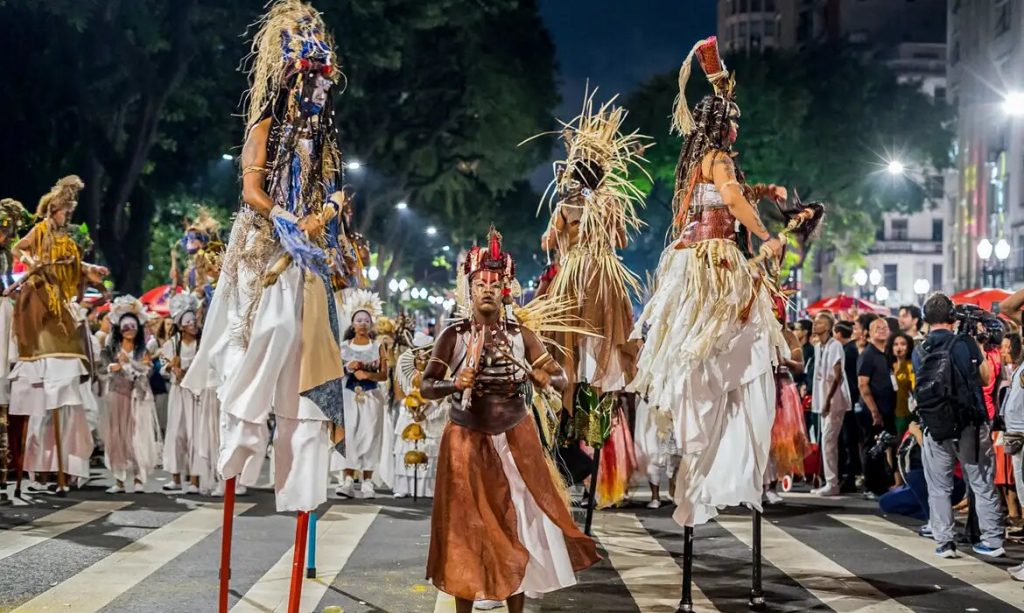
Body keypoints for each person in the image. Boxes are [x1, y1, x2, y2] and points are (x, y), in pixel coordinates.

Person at [182, 0, 347, 515]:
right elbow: (252, 188)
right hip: (262, 241)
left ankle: (300, 478)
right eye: (312, 82)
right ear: (294, 80)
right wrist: (283, 217)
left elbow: (335, 191)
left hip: (305, 250)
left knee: (305, 346)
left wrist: (324, 215)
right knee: (267, 330)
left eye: (324, 84)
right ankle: (241, 434)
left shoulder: (321, 137)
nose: (318, 92)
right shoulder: (267, 124)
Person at [629, 35, 795, 527]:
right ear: (723, 127)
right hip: (715, 264)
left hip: (697, 262)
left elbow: (730, 196)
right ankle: (709, 439)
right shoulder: (718, 160)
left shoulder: (699, 162)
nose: (739, 128)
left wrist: (763, 190)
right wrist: (765, 235)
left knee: (717, 351)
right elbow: (732, 200)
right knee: (733, 348)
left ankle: (705, 442)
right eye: (735, 121)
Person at [421, 227, 599, 612]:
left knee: (519, 522)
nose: (487, 288)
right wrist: (454, 383)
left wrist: (545, 377)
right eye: (479, 283)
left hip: (516, 438)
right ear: (469, 290)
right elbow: (426, 386)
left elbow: (560, 376)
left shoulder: (522, 334)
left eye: (494, 282)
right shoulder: (453, 335)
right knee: (465, 527)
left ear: (505, 289)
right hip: (466, 439)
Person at [536, 92, 646, 508]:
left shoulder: (565, 204)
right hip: (601, 281)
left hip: (576, 282)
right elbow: (619, 239)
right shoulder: (609, 202)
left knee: (570, 352)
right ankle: (584, 467)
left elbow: (549, 243)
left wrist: (568, 223)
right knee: (593, 358)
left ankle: (579, 463)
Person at [9, 176, 106, 493]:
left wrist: (89, 269)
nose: (68, 216)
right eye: (65, 211)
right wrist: (30, 260)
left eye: (69, 211)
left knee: (66, 384)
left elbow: (73, 268)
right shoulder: (39, 231)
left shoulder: (68, 239)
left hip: (63, 302)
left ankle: (63, 467)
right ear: (54, 210)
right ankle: (40, 468)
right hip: (41, 300)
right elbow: (17, 247)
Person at [916, 293, 1003, 559]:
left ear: (926, 318)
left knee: (939, 485)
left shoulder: (921, 347)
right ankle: (992, 539)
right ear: (953, 317)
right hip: (969, 423)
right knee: (981, 481)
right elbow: (985, 377)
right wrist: (978, 344)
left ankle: (944, 541)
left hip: (935, 424)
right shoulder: (964, 342)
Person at [100, 297, 162, 493]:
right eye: (125, 327)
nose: (129, 330)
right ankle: (119, 480)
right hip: (117, 395)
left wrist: (129, 364)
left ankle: (138, 478)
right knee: (117, 436)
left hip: (138, 397)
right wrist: (114, 366)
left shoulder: (143, 349)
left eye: (132, 327)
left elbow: (146, 370)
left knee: (137, 437)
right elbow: (102, 369)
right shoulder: (111, 347)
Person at [335, 290, 389, 499]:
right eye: (359, 320)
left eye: (366, 320)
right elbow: (335, 370)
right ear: (353, 323)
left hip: (371, 397)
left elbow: (384, 375)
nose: (363, 324)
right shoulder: (343, 347)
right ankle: (347, 479)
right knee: (349, 435)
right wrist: (349, 368)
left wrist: (366, 373)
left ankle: (367, 480)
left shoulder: (378, 348)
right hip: (349, 395)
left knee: (369, 436)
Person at [765, 301, 808, 503]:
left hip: (783, 389)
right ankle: (756, 486)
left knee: (779, 442)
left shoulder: (789, 336)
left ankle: (772, 486)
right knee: (759, 439)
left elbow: (799, 367)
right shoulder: (759, 334)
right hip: (763, 387)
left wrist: (785, 361)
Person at [811, 312, 850, 496]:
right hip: (823, 398)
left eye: (818, 322)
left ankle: (832, 482)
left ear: (827, 327)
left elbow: (837, 376)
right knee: (826, 440)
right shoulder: (819, 346)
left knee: (829, 440)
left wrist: (828, 400)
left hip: (834, 399)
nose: (814, 324)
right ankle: (827, 479)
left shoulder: (835, 346)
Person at [858, 318, 896, 435]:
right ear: (870, 332)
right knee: (873, 446)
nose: (882, 331)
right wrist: (874, 411)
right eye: (878, 328)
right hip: (874, 411)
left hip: (889, 408)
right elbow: (863, 384)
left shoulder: (888, 352)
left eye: (885, 328)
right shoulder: (868, 354)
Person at [888, 332, 916, 440]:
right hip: (893, 409)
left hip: (909, 408)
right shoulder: (889, 365)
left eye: (903, 344)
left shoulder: (912, 365)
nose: (899, 347)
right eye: (895, 344)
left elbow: (914, 386)